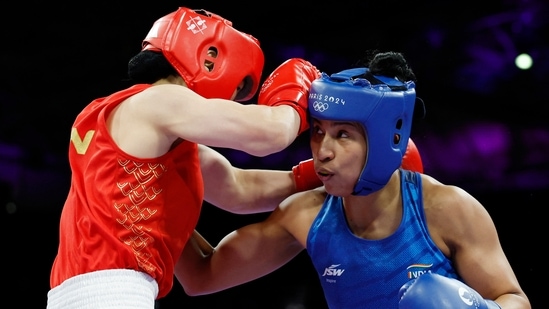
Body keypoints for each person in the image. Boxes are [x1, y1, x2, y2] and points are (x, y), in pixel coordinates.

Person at [176, 51, 531, 309]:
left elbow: (514, 298)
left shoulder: (446, 208)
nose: (322, 150)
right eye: (317, 131)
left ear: (385, 140)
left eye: (343, 134)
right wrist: (151, 195)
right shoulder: (305, 216)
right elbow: (201, 276)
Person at [46, 7, 327, 309]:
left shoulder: (148, 140)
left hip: (87, 293)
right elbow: (271, 133)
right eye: (237, 89)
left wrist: (321, 173)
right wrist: (297, 90)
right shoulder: (160, 100)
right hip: (113, 294)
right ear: (209, 60)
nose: (231, 100)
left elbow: (239, 190)